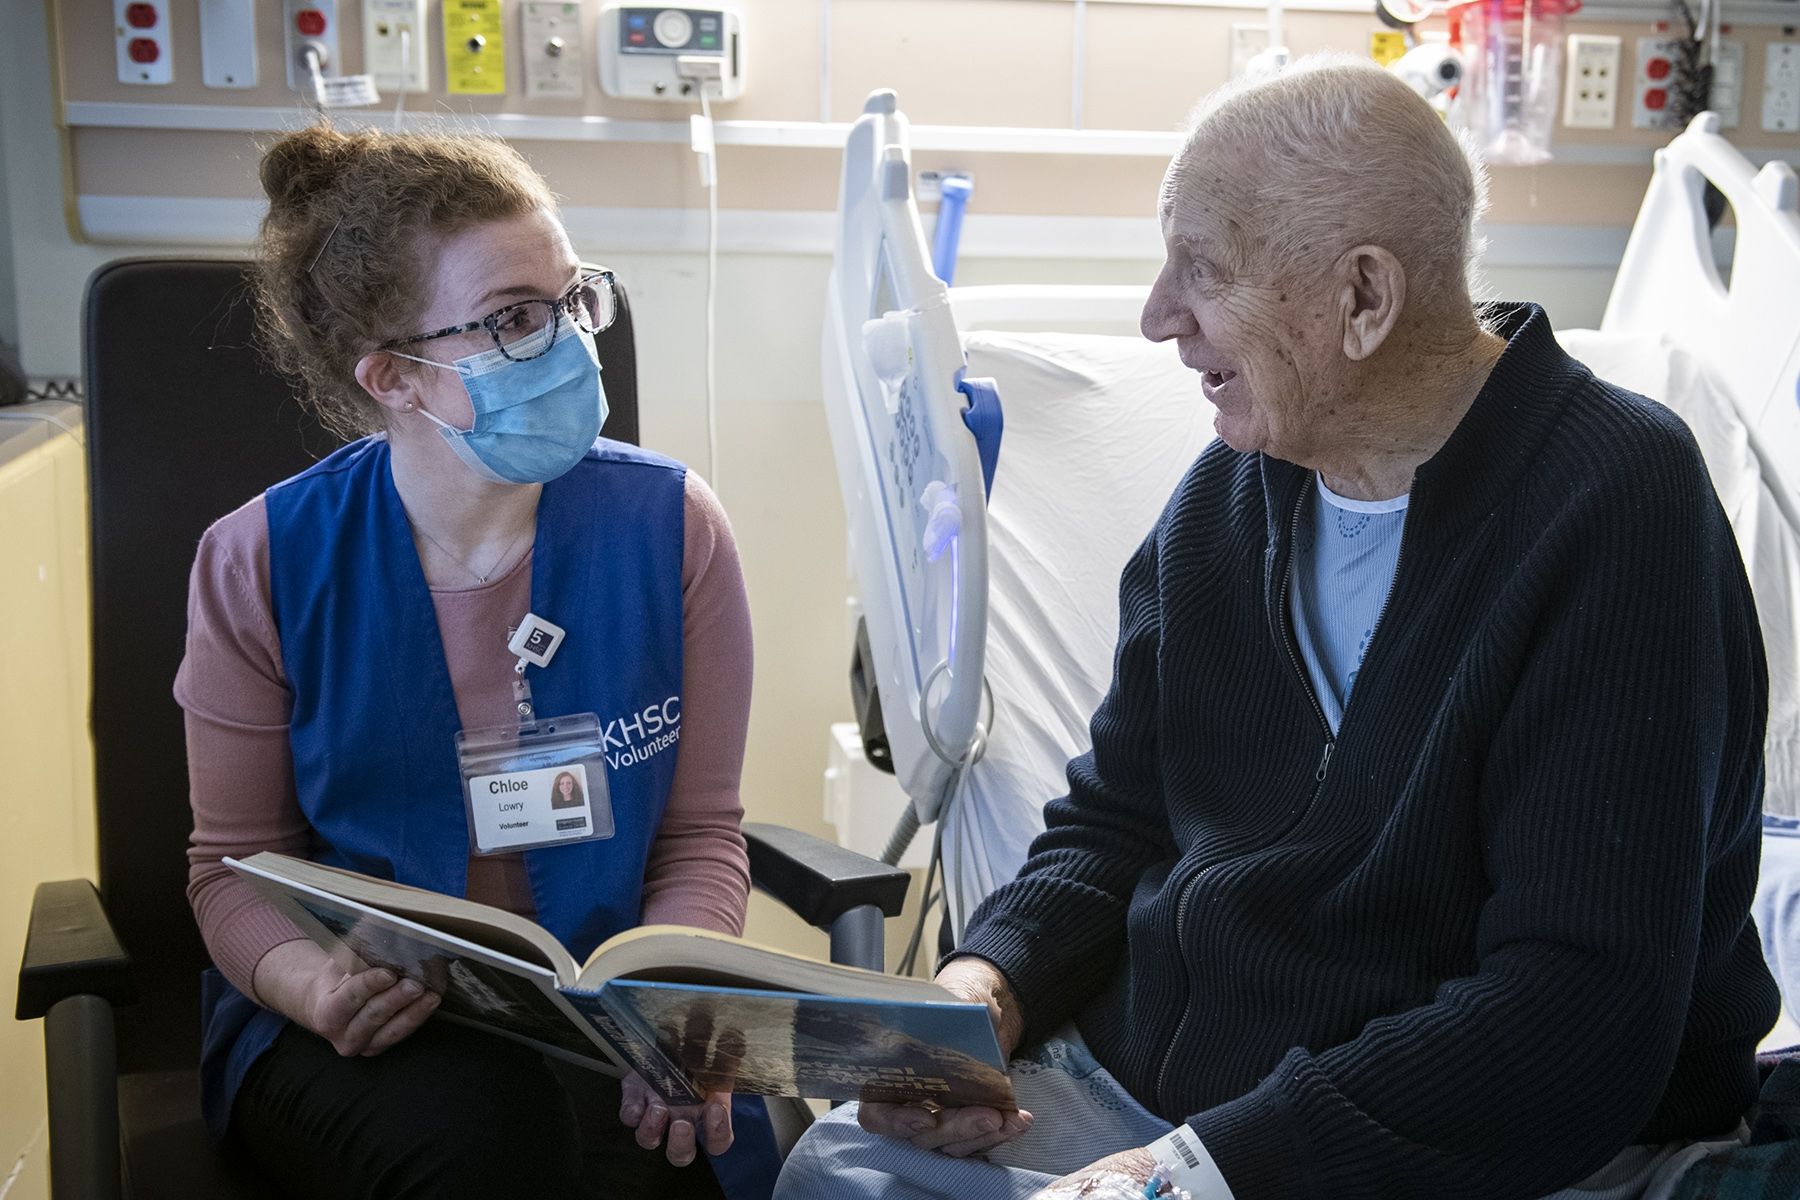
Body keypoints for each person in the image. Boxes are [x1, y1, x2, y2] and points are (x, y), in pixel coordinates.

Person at [777, 56, 1780, 1200]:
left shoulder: (1615, 507)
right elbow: (1117, 820)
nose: (1158, 317)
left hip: (1443, 1143)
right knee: (842, 1166)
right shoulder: (1225, 497)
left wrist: (1197, 1174)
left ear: (1364, 298)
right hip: (1162, 1105)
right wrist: (983, 992)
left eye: (1199, 271)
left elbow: (1574, 1006)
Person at [179, 123, 773, 1198]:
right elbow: (230, 871)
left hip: (601, 1013)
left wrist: (676, 1007)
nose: (566, 345)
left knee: (698, 1159)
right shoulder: (259, 563)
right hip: (360, 1022)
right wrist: (312, 986)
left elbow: (697, 836)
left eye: (569, 299)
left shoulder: (673, 529)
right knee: (487, 1143)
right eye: (512, 321)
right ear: (393, 377)